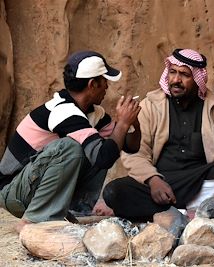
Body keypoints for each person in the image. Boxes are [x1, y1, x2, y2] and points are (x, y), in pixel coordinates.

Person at [96, 48, 214, 220]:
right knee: (114, 192)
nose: (176, 80)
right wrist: (153, 180)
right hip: (162, 181)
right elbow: (135, 154)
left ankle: (170, 211)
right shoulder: (150, 106)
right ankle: (195, 209)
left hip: (200, 179)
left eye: (184, 74)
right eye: (172, 72)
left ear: (198, 79)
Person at [0, 50, 141, 232]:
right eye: (104, 81)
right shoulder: (62, 111)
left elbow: (129, 146)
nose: (107, 87)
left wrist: (131, 122)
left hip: (31, 186)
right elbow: (104, 158)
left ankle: (73, 210)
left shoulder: (94, 113)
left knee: (100, 145)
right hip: (13, 193)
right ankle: (32, 222)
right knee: (71, 148)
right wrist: (122, 123)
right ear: (92, 84)